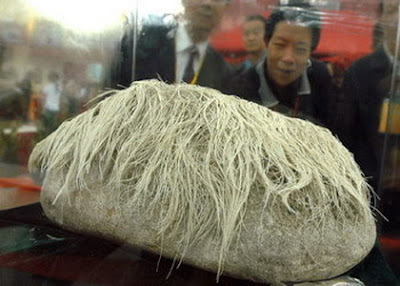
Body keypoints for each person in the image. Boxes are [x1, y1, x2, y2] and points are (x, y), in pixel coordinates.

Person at [333, 0, 400, 284]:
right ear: (382, 18)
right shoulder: (360, 73)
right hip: (371, 199)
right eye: (393, 9)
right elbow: (344, 140)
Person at [229, 1, 333, 127]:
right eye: (280, 45)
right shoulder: (240, 89)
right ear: (267, 42)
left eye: (300, 49)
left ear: (311, 52)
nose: (288, 58)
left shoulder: (320, 78)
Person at [111, 0, 235, 93]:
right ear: (184, 1)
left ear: (226, 7)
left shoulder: (224, 71)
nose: (208, 3)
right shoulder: (139, 44)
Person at [41, 71, 62, 135]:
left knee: (48, 128)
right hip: (54, 109)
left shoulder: (48, 87)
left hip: (49, 109)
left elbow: (43, 98)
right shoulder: (59, 87)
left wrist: (42, 108)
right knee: (52, 127)